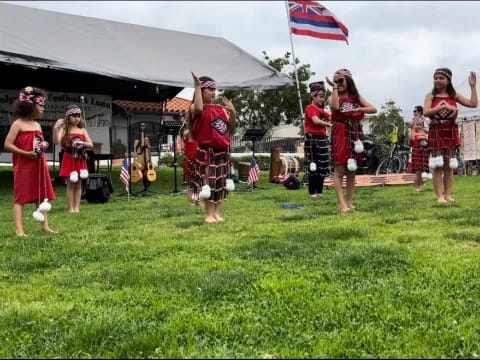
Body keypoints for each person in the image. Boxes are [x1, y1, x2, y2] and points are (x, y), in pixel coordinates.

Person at [3, 86, 56, 236]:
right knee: (20, 197)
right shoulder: (17, 124)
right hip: (24, 165)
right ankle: (19, 230)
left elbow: (37, 142)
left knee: (41, 195)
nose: (43, 109)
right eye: (41, 106)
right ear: (30, 106)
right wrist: (25, 153)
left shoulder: (37, 124)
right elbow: (8, 144)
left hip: (38, 164)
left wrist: (43, 145)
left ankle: (45, 226)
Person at [326, 69, 377, 213]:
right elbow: (335, 106)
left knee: (352, 170)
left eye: (340, 80)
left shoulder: (356, 96)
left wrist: (358, 108)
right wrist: (334, 88)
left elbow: (373, 109)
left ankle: (350, 203)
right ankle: (342, 204)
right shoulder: (332, 96)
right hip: (340, 132)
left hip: (354, 133)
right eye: (335, 81)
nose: (338, 83)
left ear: (348, 80)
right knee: (339, 169)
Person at [423, 68, 477, 203]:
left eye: (441, 78)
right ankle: (439, 196)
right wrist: (442, 107)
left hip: (450, 131)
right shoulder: (430, 96)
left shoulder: (454, 95)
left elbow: (473, 104)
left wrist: (473, 87)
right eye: (436, 78)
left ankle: (448, 195)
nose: (437, 80)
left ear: (448, 80)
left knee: (449, 165)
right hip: (436, 132)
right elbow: (426, 112)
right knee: (438, 165)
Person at [190, 73, 237, 222]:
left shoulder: (220, 109)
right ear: (202, 91)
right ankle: (209, 214)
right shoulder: (196, 108)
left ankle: (217, 212)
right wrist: (197, 86)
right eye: (209, 89)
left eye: (214, 89)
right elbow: (197, 107)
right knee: (208, 183)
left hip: (222, 151)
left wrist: (233, 112)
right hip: (207, 151)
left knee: (220, 184)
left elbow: (231, 126)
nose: (213, 92)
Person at [54, 105, 94, 212]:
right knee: (71, 184)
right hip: (69, 158)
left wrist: (82, 142)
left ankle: (77, 208)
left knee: (79, 184)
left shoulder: (82, 130)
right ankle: (71, 208)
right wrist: (55, 129)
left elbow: (91, 145)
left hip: (80, 158)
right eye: (74, 116)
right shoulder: (64, 129)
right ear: (68, 117)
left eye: (78, 116)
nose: (77, 118)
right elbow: (56, 141)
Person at [304, 82, 332, 197]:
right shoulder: (310, 108)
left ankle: (319, 191)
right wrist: (328, 125)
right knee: (314, 165)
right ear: (313, 96)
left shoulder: (321, 110)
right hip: (313, 140)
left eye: (323, 96)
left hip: (322, 139)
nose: (322, 99)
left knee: (323, 166)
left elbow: (330, 116)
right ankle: (312, 192)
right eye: (320, 96)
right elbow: (316, 121)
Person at [180, 109, 199, 206]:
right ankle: (191, 201)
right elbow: (191, 133)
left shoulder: (194, 131)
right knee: (191, 184)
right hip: (190, 161)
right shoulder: (186, 132)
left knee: (197, 183)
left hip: (197, 160)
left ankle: (196, 200)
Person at [409, 108, 429, 191]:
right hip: (416, 153)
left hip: (424, 154)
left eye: (420, 124)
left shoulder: (424, 133)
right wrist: (413, 129)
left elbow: (428, 140)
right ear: (413, 125)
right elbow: (412, 139)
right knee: (418, 171)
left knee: (421, 171)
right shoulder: (412, 132)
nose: (419, 126)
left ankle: (420, 186)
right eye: (417, 124)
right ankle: (417, 186)